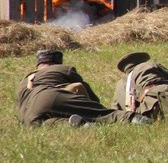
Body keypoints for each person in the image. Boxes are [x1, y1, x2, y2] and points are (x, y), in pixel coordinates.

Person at [17, 49, 152, 127]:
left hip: (29, 114)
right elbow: (85, 91)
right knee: (101, 114)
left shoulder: (24, 81)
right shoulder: (63, 69)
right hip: (52, 96)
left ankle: (80, 125)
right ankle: (133, 119)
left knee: (42, 124)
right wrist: (94, 106)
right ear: (56, 62)